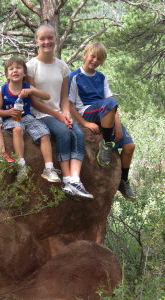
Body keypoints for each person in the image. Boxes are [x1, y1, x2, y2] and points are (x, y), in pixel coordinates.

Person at [26, 24, 94, 200]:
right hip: (39, 114)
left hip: (59, 112)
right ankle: (66, 180)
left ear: (55, 39)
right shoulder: (31, 66)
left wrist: (67, 115)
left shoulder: (63, 67)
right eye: (43, 38)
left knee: (77, 133)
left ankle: (75, 179)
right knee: (64, 132)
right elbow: (33, 99)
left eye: (50, 38)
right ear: (37, 41)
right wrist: (58, 116)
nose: (47, 41)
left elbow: (64, 98)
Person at [68, 42, 136, 201]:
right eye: (92, 56)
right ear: (85, 55)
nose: (95, 60)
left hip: (105, 111)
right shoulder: (75, 76)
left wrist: (117, 124)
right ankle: (106, 143)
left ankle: (124, 181)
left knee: (129, 146)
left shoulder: (101, 77)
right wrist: (84, 123)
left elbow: (110, 100)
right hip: (87, 111)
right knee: (109, 104)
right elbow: (69, 104)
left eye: (99, 59)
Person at [0, 57, 60, 182]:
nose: (15, 71)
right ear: (7, 75)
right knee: (18, 129)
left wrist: (31, 91)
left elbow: (47, 96)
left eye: (19, 68)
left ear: (24, 73)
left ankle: (49, 169)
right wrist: (8, 112)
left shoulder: (26, 86)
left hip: (27, 116)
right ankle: (21, 165)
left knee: (45, 133)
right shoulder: (3, 90)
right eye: (11, 69)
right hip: (10, 118)